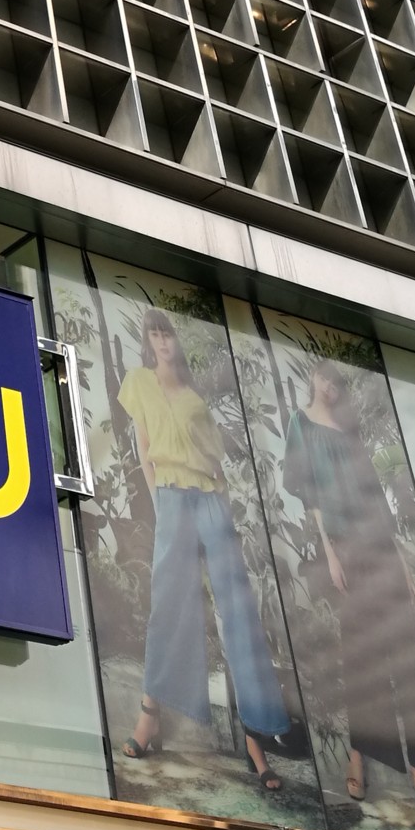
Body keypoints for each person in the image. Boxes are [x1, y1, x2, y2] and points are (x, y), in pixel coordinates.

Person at [118, 307, 292, 792]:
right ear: (149, 342)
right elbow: (144, 446)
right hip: (172, 496)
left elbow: (215, 460)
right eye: (154, 333)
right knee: (168, 607)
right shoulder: (139, 382)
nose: (162, 341)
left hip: (210, 499)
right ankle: (149, 719)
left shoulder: (196, 396)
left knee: (237, 611)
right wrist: (160, 504)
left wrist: (223, 504)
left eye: (167, 332)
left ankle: (257, 744)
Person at [283, 359, 415, 812]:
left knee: (405, 653)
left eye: (338, 382)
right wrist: (330, 553)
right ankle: (360, 754)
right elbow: (309, 492)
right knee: (361, 651)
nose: (331, 387)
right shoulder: (301, 424)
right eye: (325, 378)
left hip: (378, 542)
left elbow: (376, 498)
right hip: (342, 543)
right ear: (313, 379)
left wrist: (400, 560)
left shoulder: (350, 431)